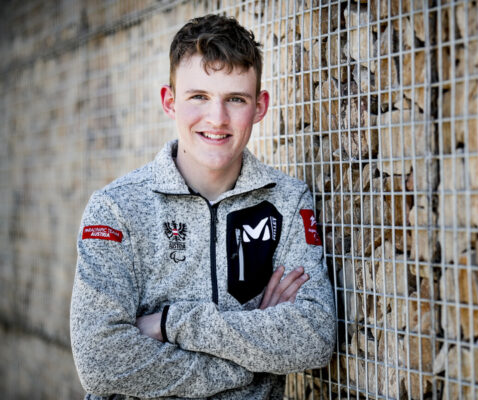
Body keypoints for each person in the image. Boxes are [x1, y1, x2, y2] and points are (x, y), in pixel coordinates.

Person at [70, 14, 335, 400]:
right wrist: (252, 359)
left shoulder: (288, 201)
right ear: (169, 102)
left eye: (235, 99)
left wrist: (169, 322)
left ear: (259, 107)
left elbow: (313, 337)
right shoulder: (116, 209)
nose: (217, 118)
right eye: (199, 97)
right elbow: (101, 362)